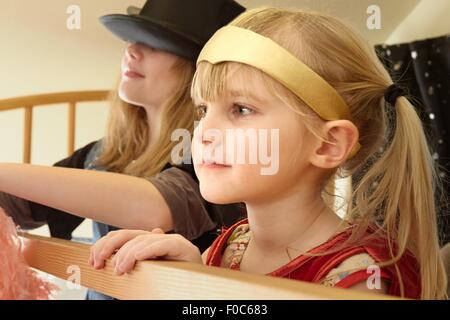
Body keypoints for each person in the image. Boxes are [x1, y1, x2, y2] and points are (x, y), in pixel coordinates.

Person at [89, 7, 448, 299]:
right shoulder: (231, 244)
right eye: (202, 111)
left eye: (241, 109)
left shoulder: (357, 276)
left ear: (327, 144)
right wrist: (188, 279)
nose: (203, 133)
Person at [0, 0, 246, 299]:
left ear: (199, 72)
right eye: (130, 40)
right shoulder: (102, 154)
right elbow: (23, 205)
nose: (131, 50)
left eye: (153, 44)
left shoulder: (214, 153)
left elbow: (156, 207)